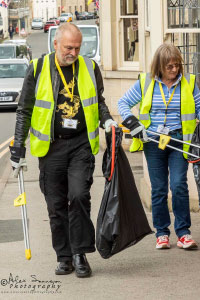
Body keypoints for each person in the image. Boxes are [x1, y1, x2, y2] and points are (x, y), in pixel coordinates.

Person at [10, 23, 117, 278]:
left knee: (79, 196)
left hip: (80, 144)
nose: (73, 52)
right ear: (56, 43)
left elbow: (98, 102)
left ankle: (80, 254)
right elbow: (24, 110)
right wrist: (18, 148)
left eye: (78, 48)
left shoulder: (90, 67)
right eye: (69, 47)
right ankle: (64, 256)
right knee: (55, 204)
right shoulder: (37, 68)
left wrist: (108, 120)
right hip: (51, 147)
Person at [118, 43, 200, 250]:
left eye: (176, 65)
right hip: (153, 142)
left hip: (179, 141)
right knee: (159, 189)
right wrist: (133, 123)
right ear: (159, 66)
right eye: (169, 66)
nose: (174, 70)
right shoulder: (146, 83)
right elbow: (122, 103)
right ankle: (162, 233)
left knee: (179, 185)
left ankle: (183, 233)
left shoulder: (188, 83)